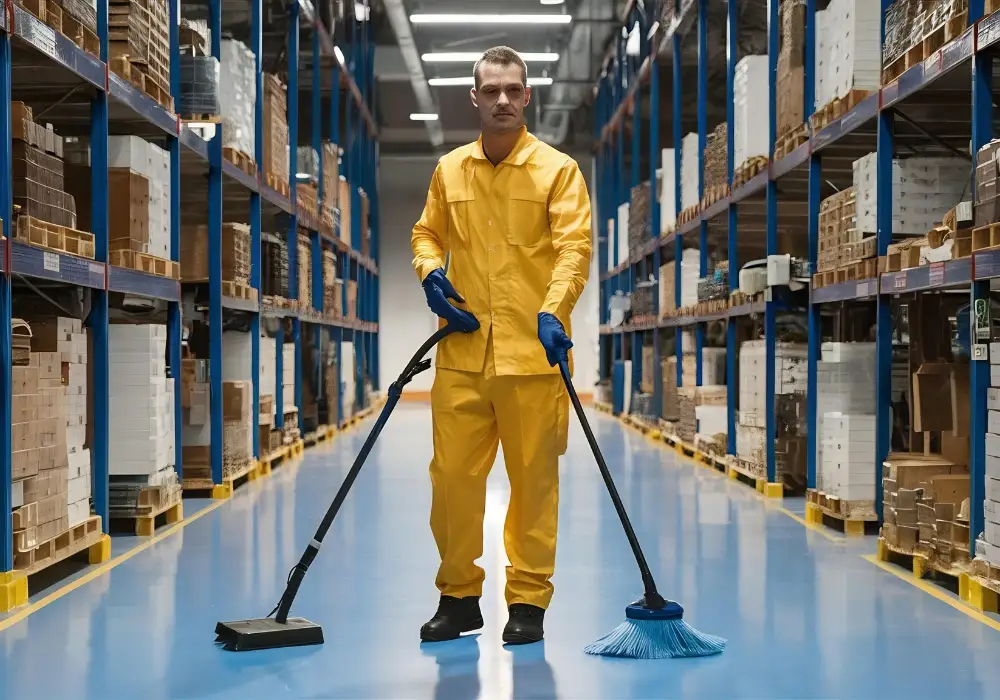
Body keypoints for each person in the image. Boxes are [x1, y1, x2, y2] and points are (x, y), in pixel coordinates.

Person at [410, 46, 592, 645]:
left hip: (534, 356)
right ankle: (459, 597)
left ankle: (528, 604)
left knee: (534, 484)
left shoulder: (557, 171)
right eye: (492, 91)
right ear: (475, 98)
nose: (504, 101)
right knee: (451, 481)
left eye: (513, 90)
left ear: (528, 96)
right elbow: (427, 232)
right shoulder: (449, 170)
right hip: (463, 354)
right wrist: (430, 273)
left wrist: (553, 309)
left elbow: (574, 248)